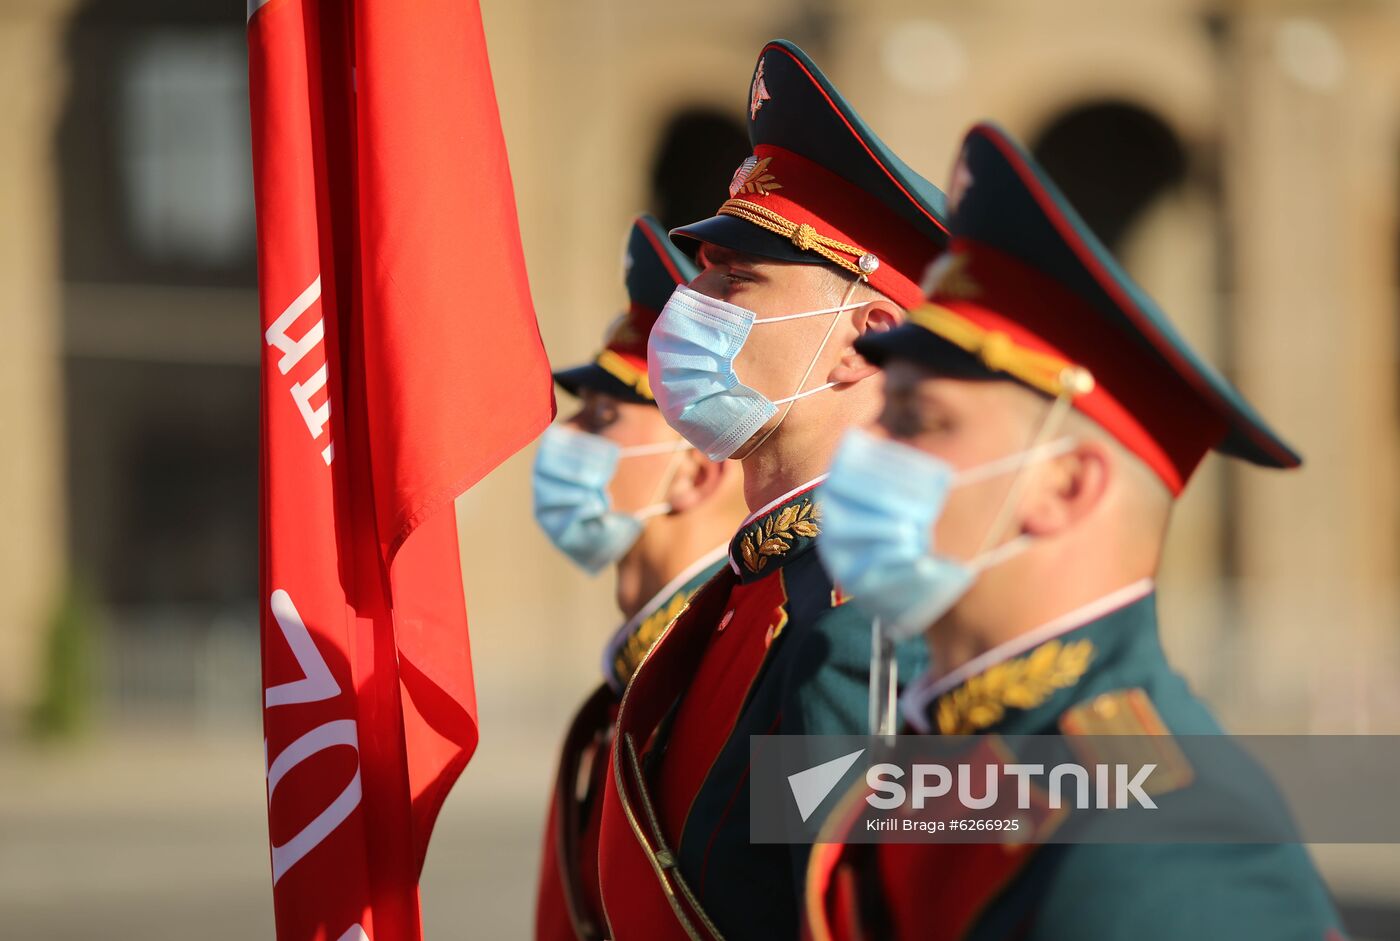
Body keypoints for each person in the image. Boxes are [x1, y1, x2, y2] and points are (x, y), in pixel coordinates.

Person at [805, 121, 1346, 941]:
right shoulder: (968, 753)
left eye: (915, 419)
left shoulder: (1171, 844)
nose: (865, 446)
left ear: (1066, 485)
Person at [595, 40, 950, 941]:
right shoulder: (762, 586)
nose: (693, 299)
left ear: (864, 339)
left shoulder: (863, 618)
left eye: (736, 277)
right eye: (705, 268)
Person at [531, 214, 746, 941]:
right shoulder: (646, 668)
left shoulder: (753, 650)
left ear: (694, 474)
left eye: (600, 416)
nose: (564, 435)